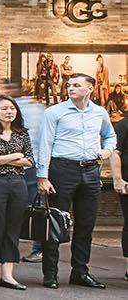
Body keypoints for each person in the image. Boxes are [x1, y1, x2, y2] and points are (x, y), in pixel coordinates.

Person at [33, 70, 118, 289]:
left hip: (90, 171)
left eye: (77, 85)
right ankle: (50, 273)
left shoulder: (99, 113)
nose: (70, 88)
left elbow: (110, 135)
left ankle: (80, 272)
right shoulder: (54, 112)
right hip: (62, 169)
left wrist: (107, 150)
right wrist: (42, 176)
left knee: (86, 224)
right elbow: (44, 144)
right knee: (55, 223)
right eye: (69, 85)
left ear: (90, 88)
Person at [0, 94, 35, 293]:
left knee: (13, 227)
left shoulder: (22, 133)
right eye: (4, 108)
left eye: (12, 108)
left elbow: (29, 161)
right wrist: (15, 156)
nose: (9, 112)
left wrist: (2, 157)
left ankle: (8, 273)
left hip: (18, 183)